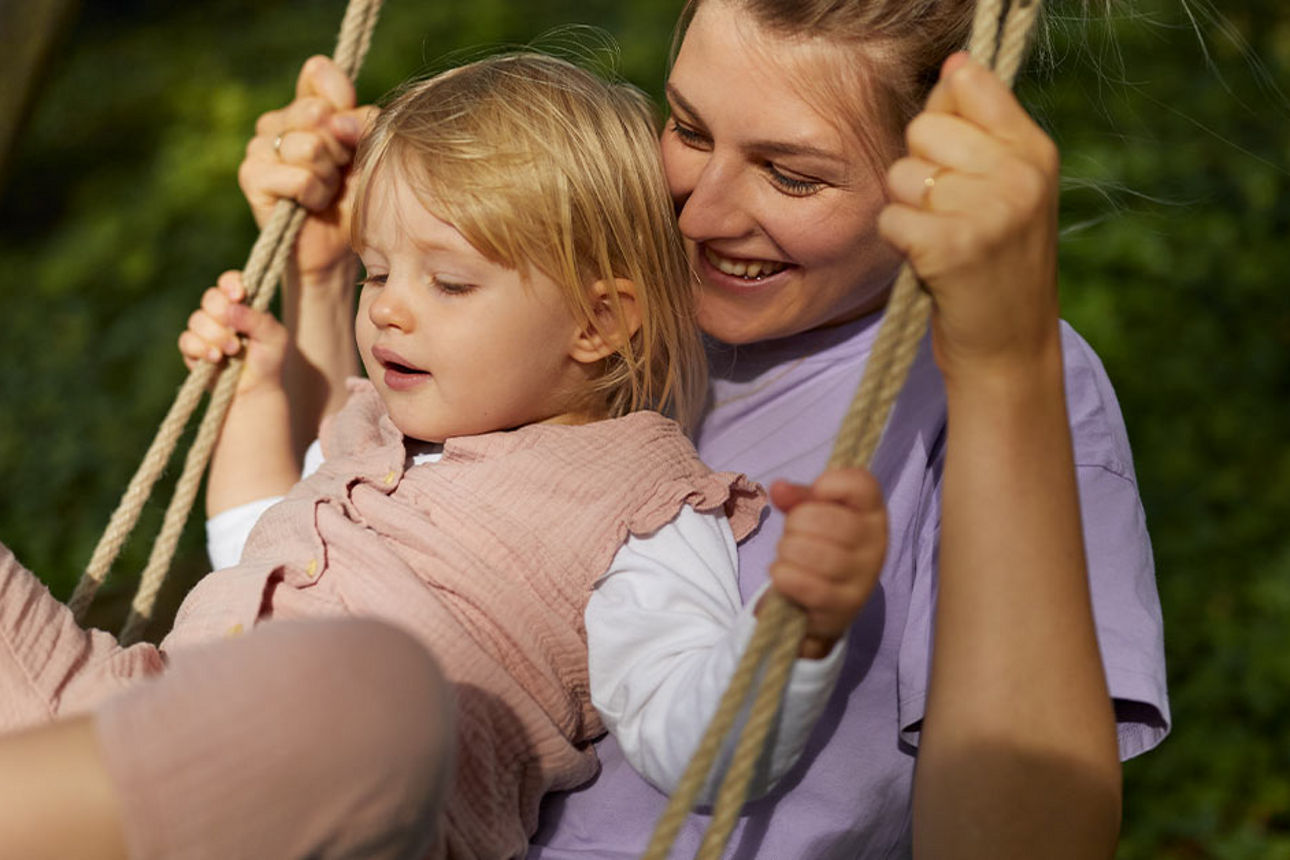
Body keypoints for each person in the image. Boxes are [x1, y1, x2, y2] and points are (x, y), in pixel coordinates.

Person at [245, 1, 1169, 857]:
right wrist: (329, 279)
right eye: (687, 129)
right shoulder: (591, 292)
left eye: (791, 175)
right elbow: (349, 519)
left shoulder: (995, 382)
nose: (699, 211)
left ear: (940, 175)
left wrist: (1005, 370)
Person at [0, 51, 885, 859]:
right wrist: (257, 394)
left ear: (598, 322)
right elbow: (247, 548)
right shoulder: (370, 430)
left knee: (375, 681)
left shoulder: (634, 503)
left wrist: (790, 631)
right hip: (139, 712)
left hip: (348, 816)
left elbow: (693, 739)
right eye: (377, 272)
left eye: (449, 282)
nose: (387, 308)